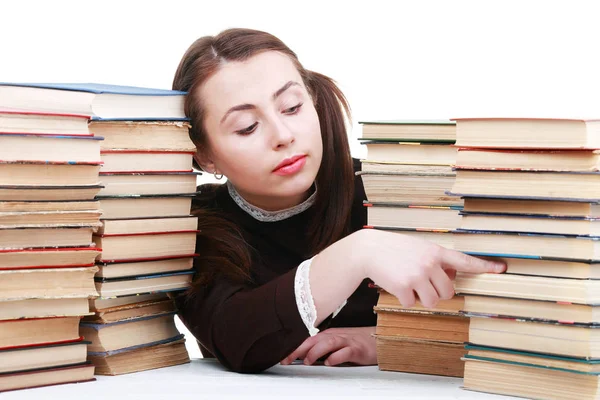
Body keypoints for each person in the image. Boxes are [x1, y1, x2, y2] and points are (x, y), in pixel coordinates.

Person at [171, 28, 505, 374]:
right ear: (204, 155)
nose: (283, 136)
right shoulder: (188, 225)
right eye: (247, 127)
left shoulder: (392, 190)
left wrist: (385, 338)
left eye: (291, 107)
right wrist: (359, 253)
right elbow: (234, 337)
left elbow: (506, 308)